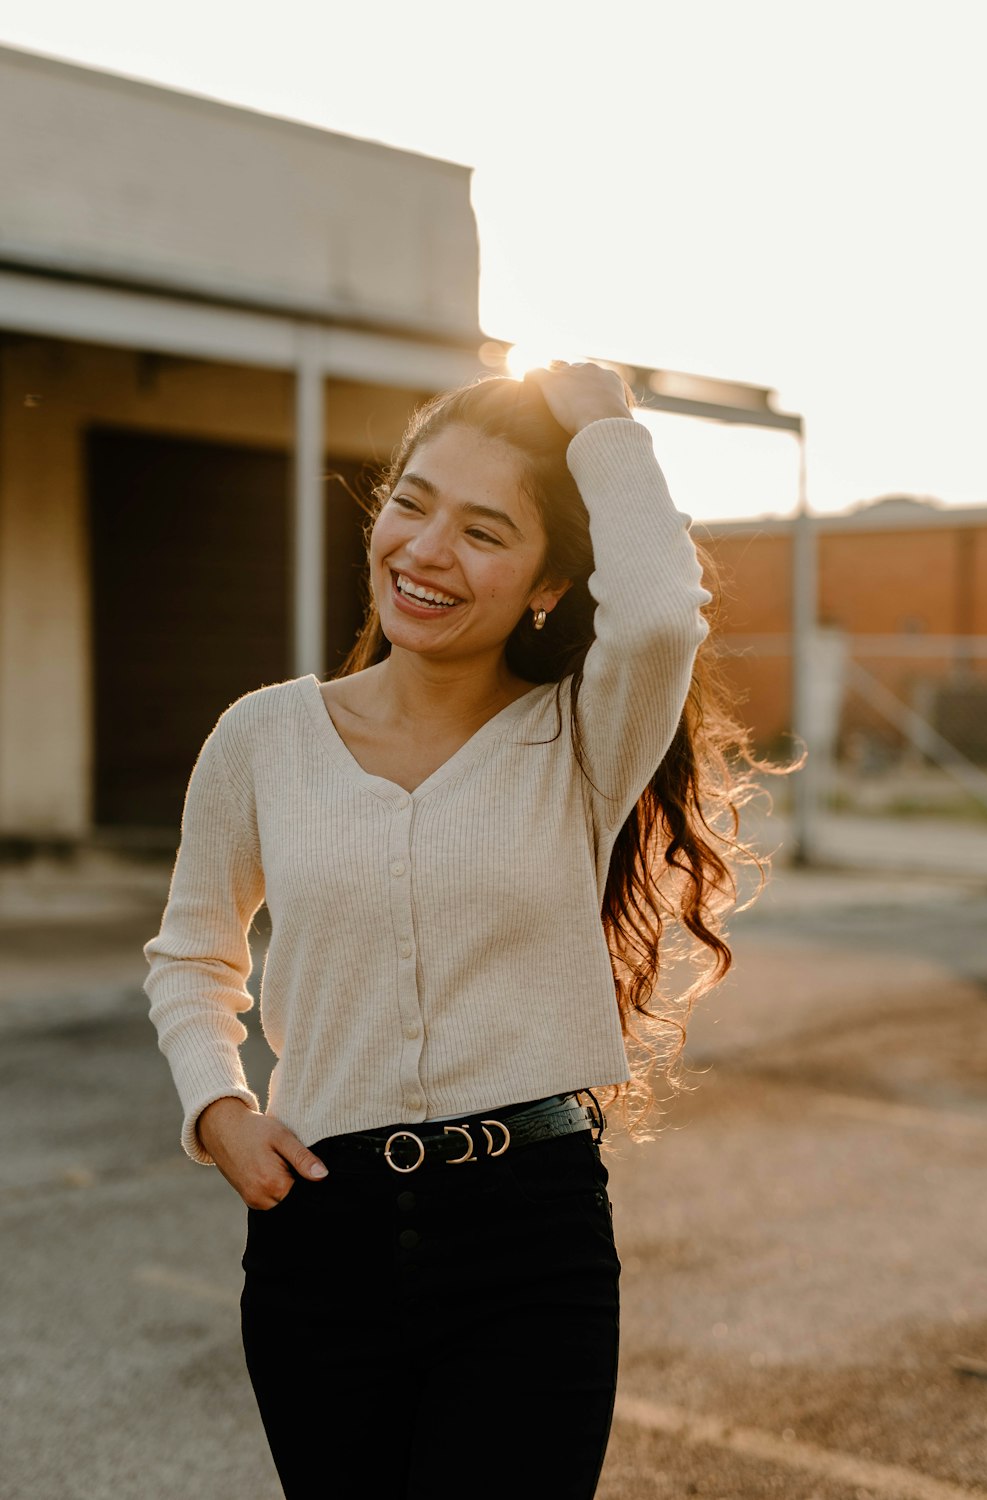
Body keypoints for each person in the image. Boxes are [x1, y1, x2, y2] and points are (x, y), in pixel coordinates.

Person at [143, 361, 753, 1499]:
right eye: (412, 503)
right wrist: (217, 1106)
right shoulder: (263, 738)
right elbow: (193, 952)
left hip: (527, 1237)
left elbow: (664, 611)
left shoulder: (581, 737)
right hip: (319, 1239)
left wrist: (603, 424)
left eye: (483, 531)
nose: (425, 551)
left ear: (546, 583)